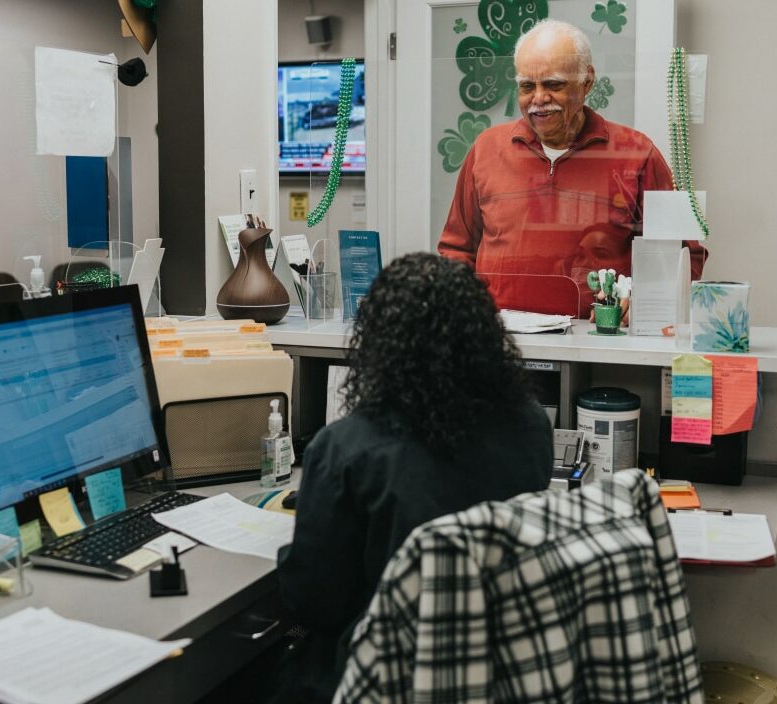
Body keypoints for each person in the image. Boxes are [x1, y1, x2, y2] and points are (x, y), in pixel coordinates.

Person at [276, 253, 554, 702]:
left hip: (380, 679)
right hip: (501, 675)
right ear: (484, 338)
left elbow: (314, 601)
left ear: (380, 345)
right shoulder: (531, 426)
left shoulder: (346, 449)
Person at [438, 19, 708, 317]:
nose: (538, 99)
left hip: (597, 345)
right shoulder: (486, 149)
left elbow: (683, 255)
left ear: (587, 82)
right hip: (498, 343)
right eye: (527, 86)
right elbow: (456, 251)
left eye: (553, 84)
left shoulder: (637, 153)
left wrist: (643, 303)